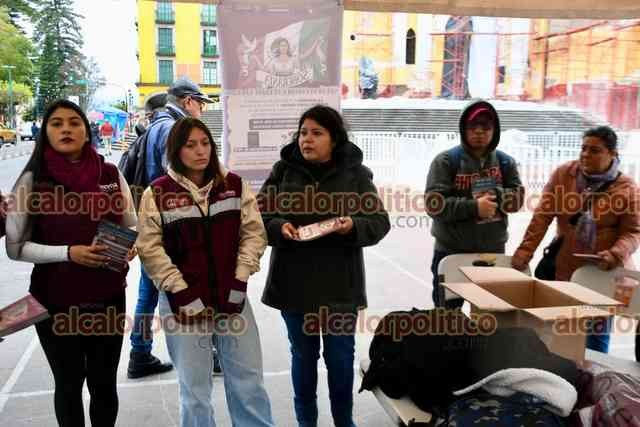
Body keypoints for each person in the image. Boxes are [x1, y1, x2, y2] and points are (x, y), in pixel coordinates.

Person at [5, 99, 137, 427]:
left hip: (108, 298)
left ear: (87, 131)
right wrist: (67, 252)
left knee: (104, 383)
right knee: (69, 383)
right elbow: (15, 248)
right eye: (57, 123)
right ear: (45, 133)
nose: (66, 129)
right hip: (55, 302)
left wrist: (130, 245)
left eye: (74, 123)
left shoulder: (110, 173)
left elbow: (132, 223)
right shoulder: (32, 181)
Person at [136, 117, 274, 427]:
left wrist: (240, 279)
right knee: (194, 391)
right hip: (182, 306)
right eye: (190, 145)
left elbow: (254, 234)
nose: (201, 151)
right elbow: (150, 248)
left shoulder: (234, 185)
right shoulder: (157, 193)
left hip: (232, 299)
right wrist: (180, 291)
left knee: (249, 382)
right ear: (176, 150)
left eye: (205, 143)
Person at [259, 105, 390, 427]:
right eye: (303, 132)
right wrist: (278, 226)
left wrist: (353, 225)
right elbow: (259, 215)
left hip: (339, 288)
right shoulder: (283, 170)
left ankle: (344, 421)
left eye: (317, 133)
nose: (307, 139)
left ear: (334, 139)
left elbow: (378, 222)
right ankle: (306, 422)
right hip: (294, 285)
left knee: (340, 359)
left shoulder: (356, 174)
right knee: (303, 358)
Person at [512, 126, 640, 353]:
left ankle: (593, 374)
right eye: (583, 148)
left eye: (594, 150)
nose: (585, 155)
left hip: (603, 273)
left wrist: (615, 254)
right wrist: (525, 251)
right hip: (565, 269)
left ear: (612, 154)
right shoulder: (564, 175)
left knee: (595, 339)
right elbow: (542, 217)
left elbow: (633, 232)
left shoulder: (628, 188)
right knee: (561, 335)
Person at [127, 79, 215, 379]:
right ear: (188, 101)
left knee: (148, 292)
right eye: (200, 103)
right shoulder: (172, 129)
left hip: (154, 222)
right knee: (193, 286)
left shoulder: (156, 125)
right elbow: (179, 180)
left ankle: (140, 352)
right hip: (172, 226)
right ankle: (206, 352)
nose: (202, 110)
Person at [425, 100, 524, 309]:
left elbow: (518, 199)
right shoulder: (446, 161)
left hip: (492, 254)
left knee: (489, 316)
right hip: (451, 254)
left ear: (495, 130)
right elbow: (434, 204)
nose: (479, 131)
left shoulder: (506, 162)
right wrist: (474, 207)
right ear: (463, 128)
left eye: (486, 126)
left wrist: (497, 196)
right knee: (448, 319)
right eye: (473, 126)